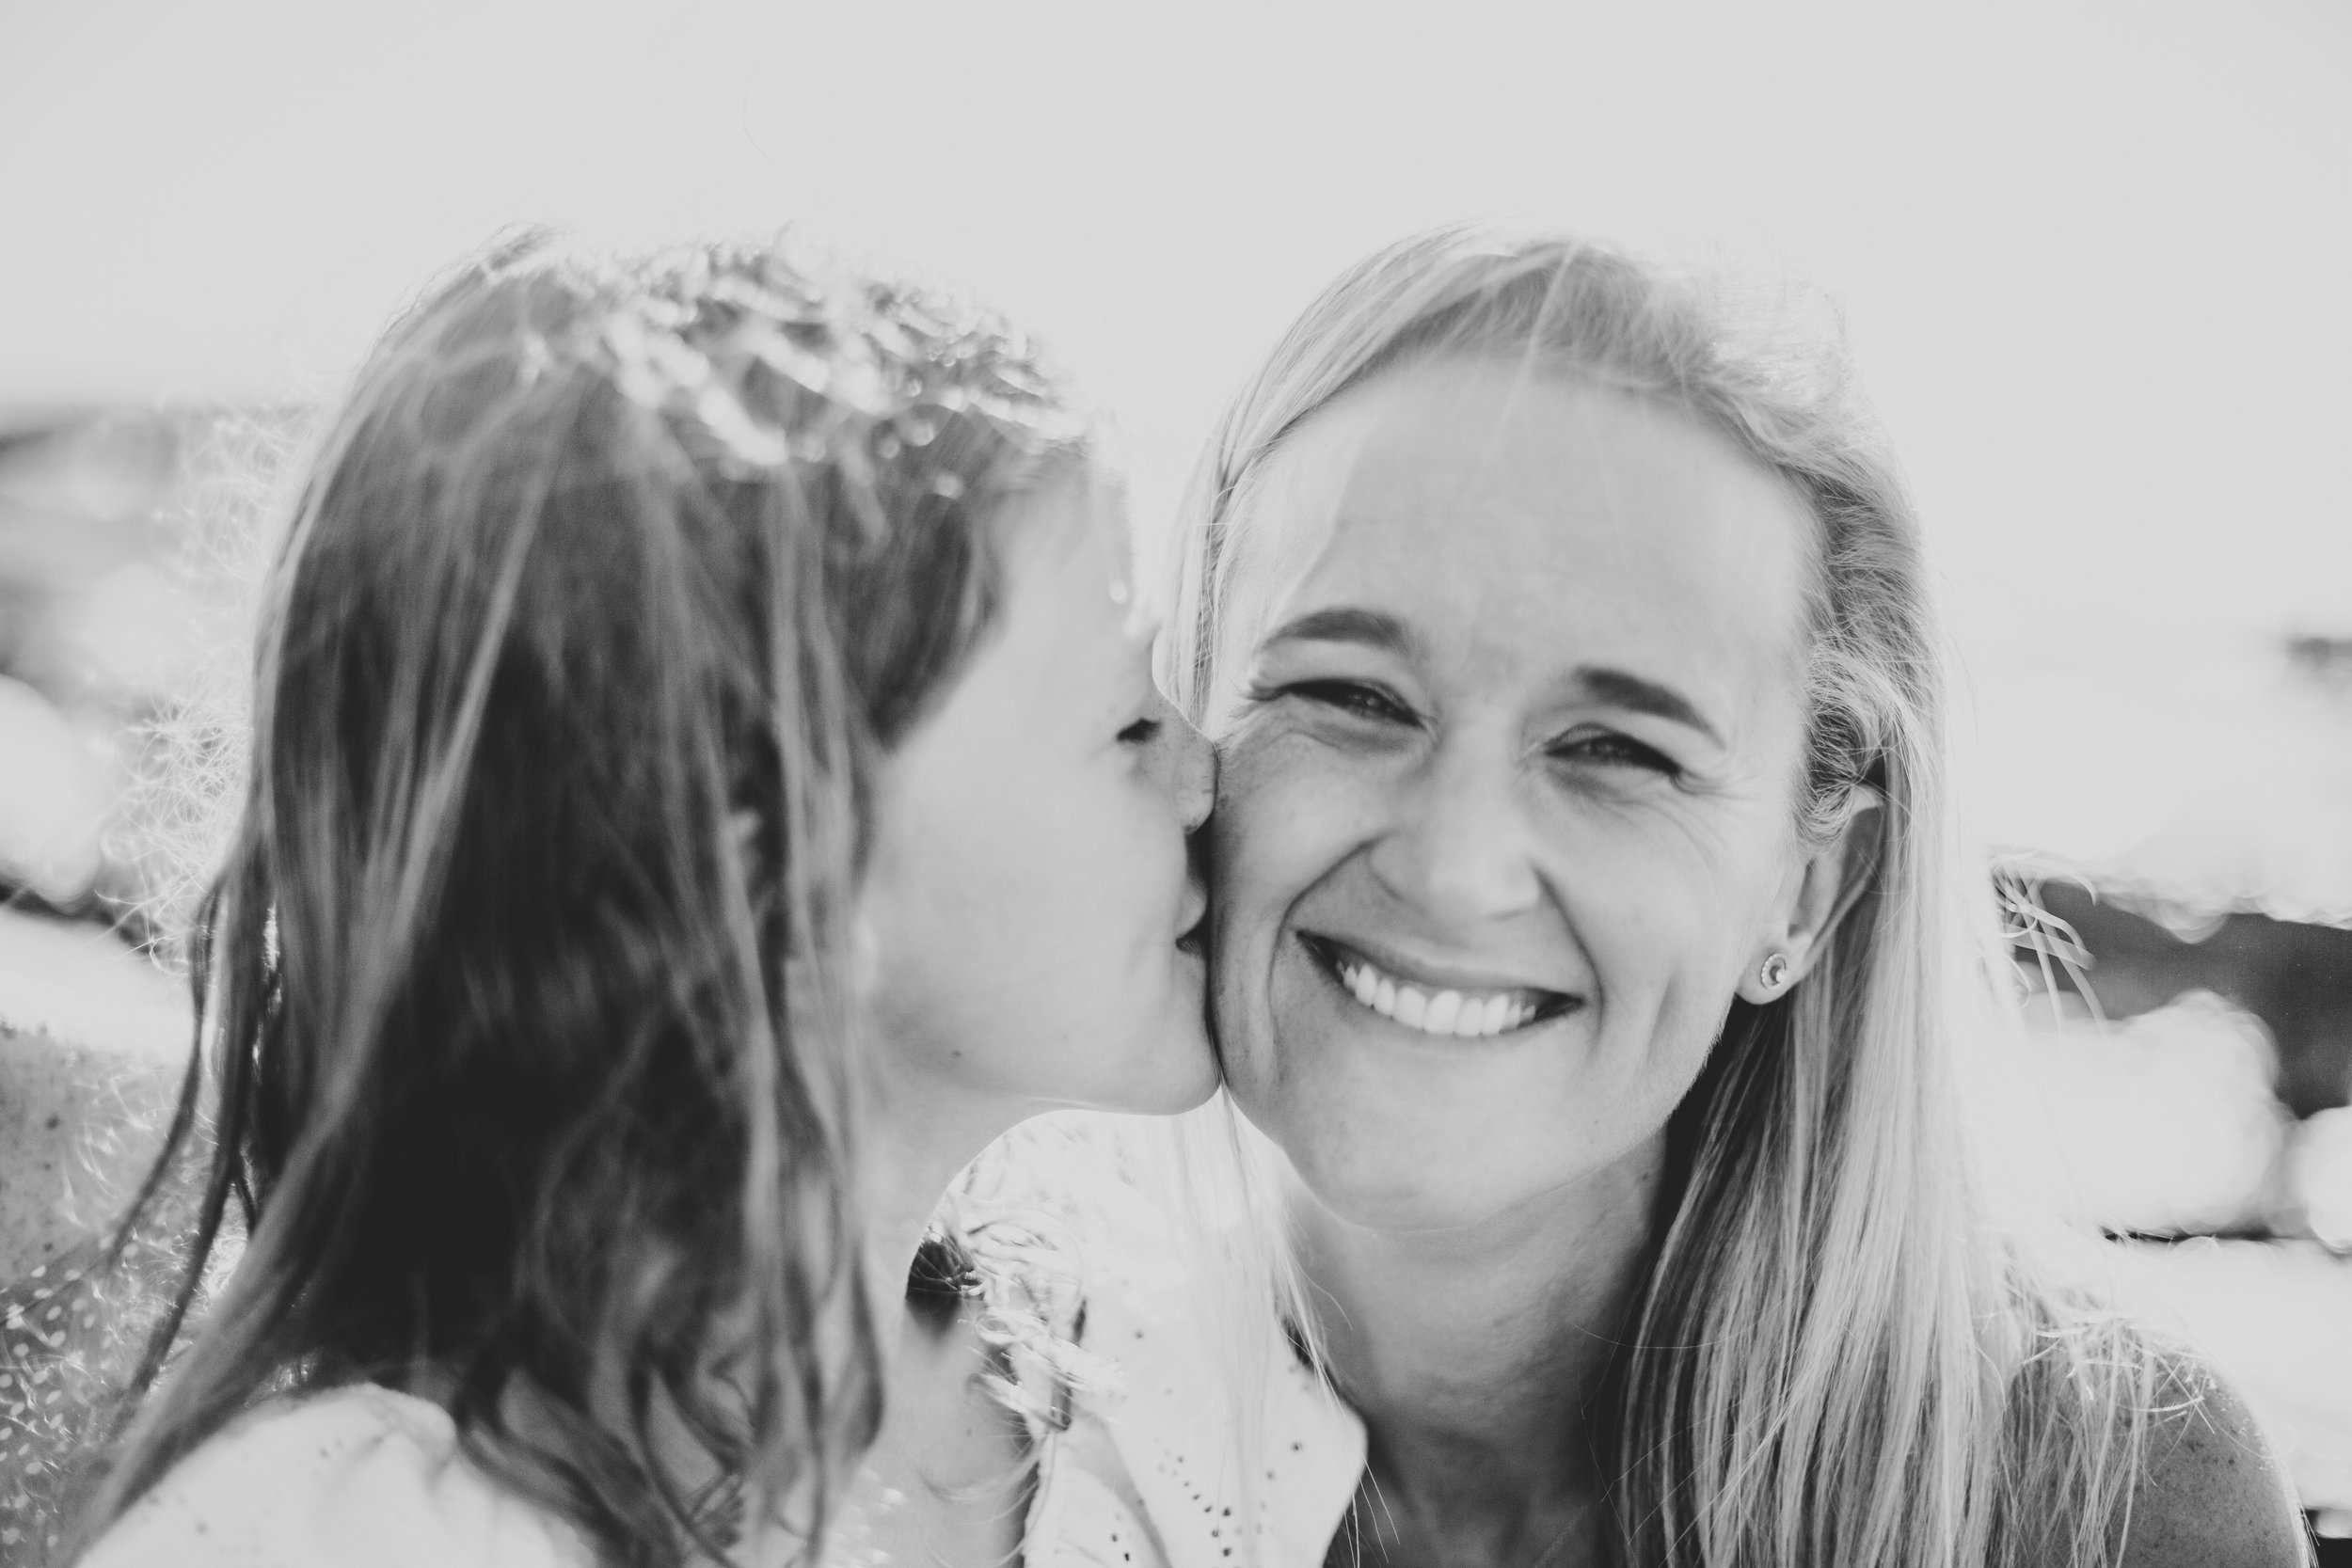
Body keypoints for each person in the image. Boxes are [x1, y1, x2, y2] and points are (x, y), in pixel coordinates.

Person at [1023, 225, 2310, 1568]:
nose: (1453, 866)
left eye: (1616, 751)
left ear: (1808, 890)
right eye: (1351, 692)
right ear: (1187, 732)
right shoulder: (969, 1427)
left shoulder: (2113, 1503)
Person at [71, 231, 1216, 1568]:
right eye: (1128, 725)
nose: (1204, 775)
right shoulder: (349, 1537)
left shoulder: (1149, 1395)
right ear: (777, 883)